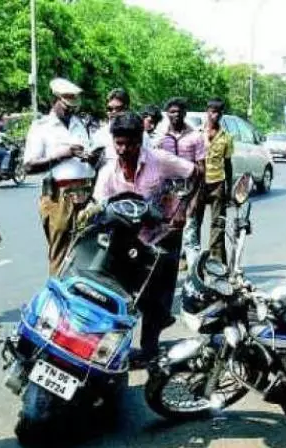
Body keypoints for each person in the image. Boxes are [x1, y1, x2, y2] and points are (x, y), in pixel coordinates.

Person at [92, 112, 198, 368]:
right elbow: (98, 206)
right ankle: (111, 350)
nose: (122, 149)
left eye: (128, 144)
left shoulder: (159, 160)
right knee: (119, 295)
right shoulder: (108, 171)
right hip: (126, 241)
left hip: (161, 236)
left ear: (140, 142)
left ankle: (150, 349)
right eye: (118, 143)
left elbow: (195, 173)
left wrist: (184, 208)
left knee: (155, 298)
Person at [23, 78, 96, 274]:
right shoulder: (42, 127)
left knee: (86, 251)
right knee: (61, 253)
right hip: (59, 195)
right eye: (66, 105)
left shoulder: (80, 124)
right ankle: (56, 290)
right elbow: (29, 166)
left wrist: (92, 158)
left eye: (74, 105)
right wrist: (63, 155)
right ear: (54, 100)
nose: (71, 110)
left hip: (85, 192)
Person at [155, 97, 206, 270]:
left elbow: (201, 170)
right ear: (167, 114)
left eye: (179, 111)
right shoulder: (161, 137)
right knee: (164, 236)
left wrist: (195, 199)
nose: (176, 115)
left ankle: (193, 278)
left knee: (190, 238)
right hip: (166, 193)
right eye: (172, 112)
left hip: (188, 190)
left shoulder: (196, 137)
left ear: (185, 113)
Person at [199, 98, 234, 264]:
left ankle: (216, 260)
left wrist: (229, 188)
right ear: (207, 112)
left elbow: (228, 164)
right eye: (212, 112)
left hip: (217, 182)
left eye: (218, 113)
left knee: (218, 223)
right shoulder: (197, 133)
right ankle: (192, 258)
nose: (215, 115)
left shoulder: (226, 137)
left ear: (222, 114)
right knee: (194, 222)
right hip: (198, 183)